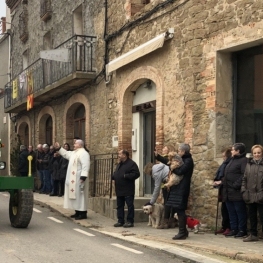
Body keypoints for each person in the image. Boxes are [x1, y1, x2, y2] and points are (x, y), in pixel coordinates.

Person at [155, 143, 194, 239]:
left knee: (180, 210)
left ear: (184, 152)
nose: (178, 152)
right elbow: (169, 161)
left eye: (180, 151)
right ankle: (184, 231)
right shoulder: (182, 159)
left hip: (182, 188)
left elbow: (180, 171)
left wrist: (171, 167)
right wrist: (158, 157)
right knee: (178, 209)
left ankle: (182, 232)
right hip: (177, 187)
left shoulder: (188, 161)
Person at [54, 139, 90, 220]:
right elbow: (66, 154)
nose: (74, 144)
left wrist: (83, 177)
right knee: (75, 196)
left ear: (80, 145)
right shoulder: (74, 153)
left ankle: (83, 213)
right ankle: (77, 212)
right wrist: (59, 148)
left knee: (80, 196)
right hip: (73, 179)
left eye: (75, 143)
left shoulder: (84, 153)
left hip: (79, 179)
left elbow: (86, 165)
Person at [222, 142, 247, 238]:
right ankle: (234, 228)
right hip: (228, 191)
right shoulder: (232, 160)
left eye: (233, 149)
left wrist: (235, 185)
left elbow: (244, 175)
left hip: (236, 191)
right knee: (231, 211)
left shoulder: (243, 161)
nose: (231, 151)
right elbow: (227, 173)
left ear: (238, 151)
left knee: (239, 211)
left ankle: (242, 230)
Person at [112, 149, 140, 228]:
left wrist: (126, 176)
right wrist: (114, 177)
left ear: (124, 155)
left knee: (129, 205)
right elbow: (117, 173)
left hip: (128, 188)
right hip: (119, 188)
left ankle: (130, 221)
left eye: (120, 154)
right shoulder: (120, 164)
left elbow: (136, 174)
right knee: (119, 205)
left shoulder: (132, 164)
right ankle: (120, 220)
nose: (118, 155)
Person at [241, 144, 263, 242]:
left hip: (261, 194)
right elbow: (244, 179)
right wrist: (244, 191)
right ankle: (253, 234)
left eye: (259, 152)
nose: (257, 154)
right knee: (252, 216)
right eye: (255, 153)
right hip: (250, 194)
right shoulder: (249, 164)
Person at [213, 147, 231, 235]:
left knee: (228, 210)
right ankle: (224, 226)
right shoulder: (224, 163)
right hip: (223, 189)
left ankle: (229, 227)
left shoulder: (229, 164)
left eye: (224, 156)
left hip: (228, 189)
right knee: (224, 209)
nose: (223, 157)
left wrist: (221, 181)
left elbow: (228, 176)